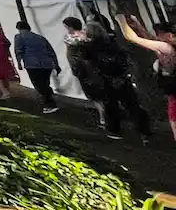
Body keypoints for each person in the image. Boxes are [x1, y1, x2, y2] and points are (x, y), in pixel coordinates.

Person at [63, 15, 151, 142]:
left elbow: (80, 60)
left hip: (104, 80)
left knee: (110, 106)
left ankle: (114, 130)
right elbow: (124, 57)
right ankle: (144, 131)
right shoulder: (112, 42)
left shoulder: (87, 47)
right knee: (132, 105)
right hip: (121, 78)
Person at [118, 14, 176, 143]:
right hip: (173, 90)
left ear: (167, 35)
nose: (157, 37)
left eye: (159, 34)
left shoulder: (166, 48)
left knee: (174, 120)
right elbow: (149, 38)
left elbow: (131, 37)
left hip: (174, 90)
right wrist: (137, 25)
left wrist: (120, 20)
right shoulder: (168, 45)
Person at [11, 19, 61, 113]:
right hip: (47, 63)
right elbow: (51, 51)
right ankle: (49, 97)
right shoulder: (40, 37)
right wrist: (56, 65)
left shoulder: (19, 37)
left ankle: (50, 104)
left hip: (32, 64)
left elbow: (18, 51)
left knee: (39, 85)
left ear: (19, 28)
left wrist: (18, 63)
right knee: (45, 83)